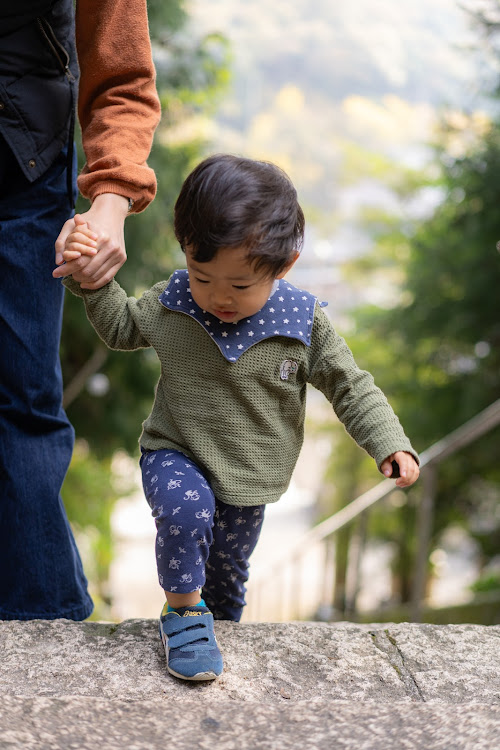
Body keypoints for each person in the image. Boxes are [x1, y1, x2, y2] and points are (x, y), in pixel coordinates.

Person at [61, 154, 420, 680]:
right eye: (202, 276)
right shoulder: (175, 301)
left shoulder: (302, 323)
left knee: (226, 577)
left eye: (240, 286)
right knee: (185, 516)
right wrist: (91, 278)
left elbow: (350, 385)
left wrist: (388, 442)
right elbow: (120, 328)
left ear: (284, 265)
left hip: (250, 472)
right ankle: (182, 613)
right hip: (175, 449)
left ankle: (212, 624)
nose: (219, 297)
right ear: (185, 251)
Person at [0, 0, 160, 621]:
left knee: (24, 399)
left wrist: (112, 197)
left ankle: (46, 635)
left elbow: (121, 73)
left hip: (24, 165)